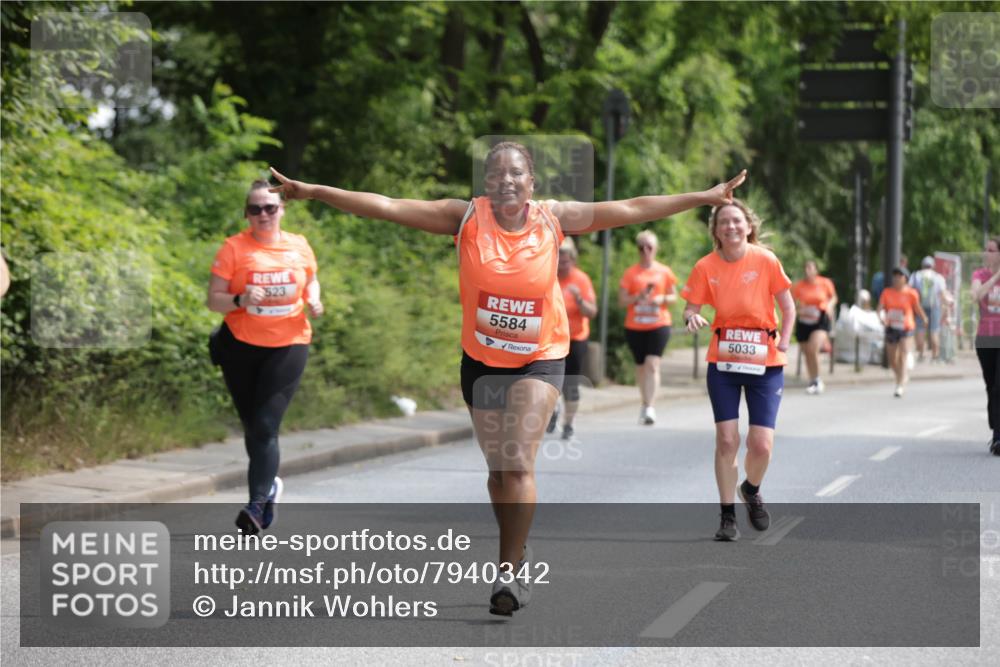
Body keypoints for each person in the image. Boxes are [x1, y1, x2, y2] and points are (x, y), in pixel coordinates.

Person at [269, 144, 746, 615]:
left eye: (516, 173)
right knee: (498, 473)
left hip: (541, 356)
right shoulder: (465, 218)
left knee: (517, 463)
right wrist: (314, 191)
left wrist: (703, 197)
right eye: (496, 173)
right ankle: (517, 548)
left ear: (531, 183)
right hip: (481, 361)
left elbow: (632, 208)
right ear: (486, 183)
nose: (506, 181)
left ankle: (508, 573)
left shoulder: (554, 218)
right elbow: (387, 205)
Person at [206, 180, 324, 535]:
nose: (263, 214)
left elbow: (311, 280)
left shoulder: (298, 245)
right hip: (240, 346)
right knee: (252, 426)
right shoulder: (233, 248)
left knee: (265, 426)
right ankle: (269, 485)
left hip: (289, 343)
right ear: (247, 214)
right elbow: (213, 300)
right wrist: (240, 299)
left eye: (270, 207)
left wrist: (314, 298)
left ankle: (256, 505)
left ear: (282, 210)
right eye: (255, 209)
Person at [681, 199, 794, 542]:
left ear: (748, 226)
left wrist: (785, 343)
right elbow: (690, 307)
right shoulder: (706, 266)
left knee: (761, 446)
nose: (730, 226)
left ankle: (751, 489)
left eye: (736, 221)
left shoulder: (766, 260)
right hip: (724, 361)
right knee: (727, 440)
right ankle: (727, 516)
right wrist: (691, 317)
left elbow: (788, 308)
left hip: (765, 361)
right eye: (723, 222)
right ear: (716, 231)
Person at [618, 230, 678, 425]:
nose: (645, 251)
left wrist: (662, 299)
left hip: (658, 324)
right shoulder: (631, 273)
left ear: (656, 249)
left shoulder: (664, 271)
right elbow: (621, 300)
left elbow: (674, 297)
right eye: (641, 247)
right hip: (635, 325)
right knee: (641, 367)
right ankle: (644, 403)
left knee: (652, 364)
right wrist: (638, 297)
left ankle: (650, 407)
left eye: (649, 247)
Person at [554, 237, 596, 440]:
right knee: (550, 380)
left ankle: (568, 423)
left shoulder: (581, 280)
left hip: (576, 338)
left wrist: (579, 300)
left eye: (567, 259)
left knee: (570, 383)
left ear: (573, 259)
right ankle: (553, 410)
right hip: (552, 339)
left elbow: (592, 312)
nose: (563, 263)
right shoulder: (548, 277)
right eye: (560, 259)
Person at [970, 237, 1000, 456]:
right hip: (986, 338)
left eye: (991, 250)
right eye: (986, 249)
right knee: (991, 386)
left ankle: (998, 437)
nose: (986, 253)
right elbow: (976, 296)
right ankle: (995, 425)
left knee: (999, 388)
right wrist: (996, 277)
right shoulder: (979, 275)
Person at [877, 267, 927, 398]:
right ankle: (900, 377)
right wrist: (881, 318)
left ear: (905, 279)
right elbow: (880, 308)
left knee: (903, 355)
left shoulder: (911, 293)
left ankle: (900, 385)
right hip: (891, 326)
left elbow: (917, 307)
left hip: (906, 327)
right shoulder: (887, 292)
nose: (896, 279)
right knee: (892, 359)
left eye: (899, 276)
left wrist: (924, 318)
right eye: (895, 276)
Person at [790, 260, 837, 394]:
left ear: (816, 270)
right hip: (804, 320)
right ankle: (812, 380)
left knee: (813, 347)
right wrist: (798, 309)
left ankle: (817, 380)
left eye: (810, 268)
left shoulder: (825, 283)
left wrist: (829, 305)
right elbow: (791, 304)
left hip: (820, 319)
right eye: (805, 268)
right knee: (807, 352)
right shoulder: (799, 286)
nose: (807, 270)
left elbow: (833, 298)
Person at [909, 255, 949, 362]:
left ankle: (921, 354)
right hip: (934, 306)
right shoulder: (938, 277)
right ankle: (935, 356)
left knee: (920, 330)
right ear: (933, 266)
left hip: (919, 306)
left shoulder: (916, 275)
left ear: (922, 265)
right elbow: (943, 294)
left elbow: (910, 291)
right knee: (934, 331)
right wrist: (946, 307)